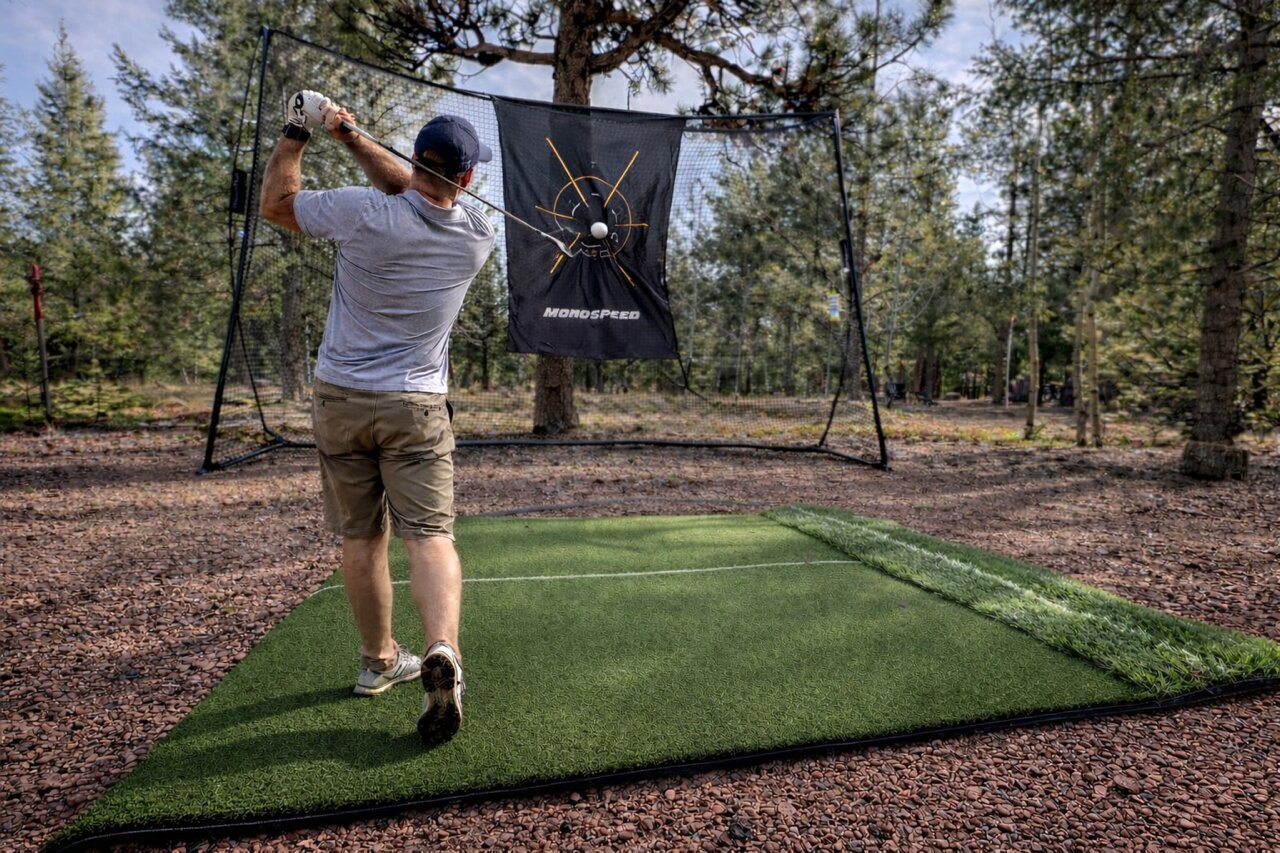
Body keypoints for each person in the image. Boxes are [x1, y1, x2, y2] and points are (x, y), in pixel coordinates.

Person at [259, 90, 496, 746]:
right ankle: (442, 647)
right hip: (415, 406)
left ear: (415, 158)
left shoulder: (361, 211)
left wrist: (302, 131)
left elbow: (276, 204)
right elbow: (420, 192)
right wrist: (353, 138)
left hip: (340, 399)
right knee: (430, 536)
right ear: (467, 177)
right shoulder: (477, 234)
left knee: (363, 538)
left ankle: (379, 661)